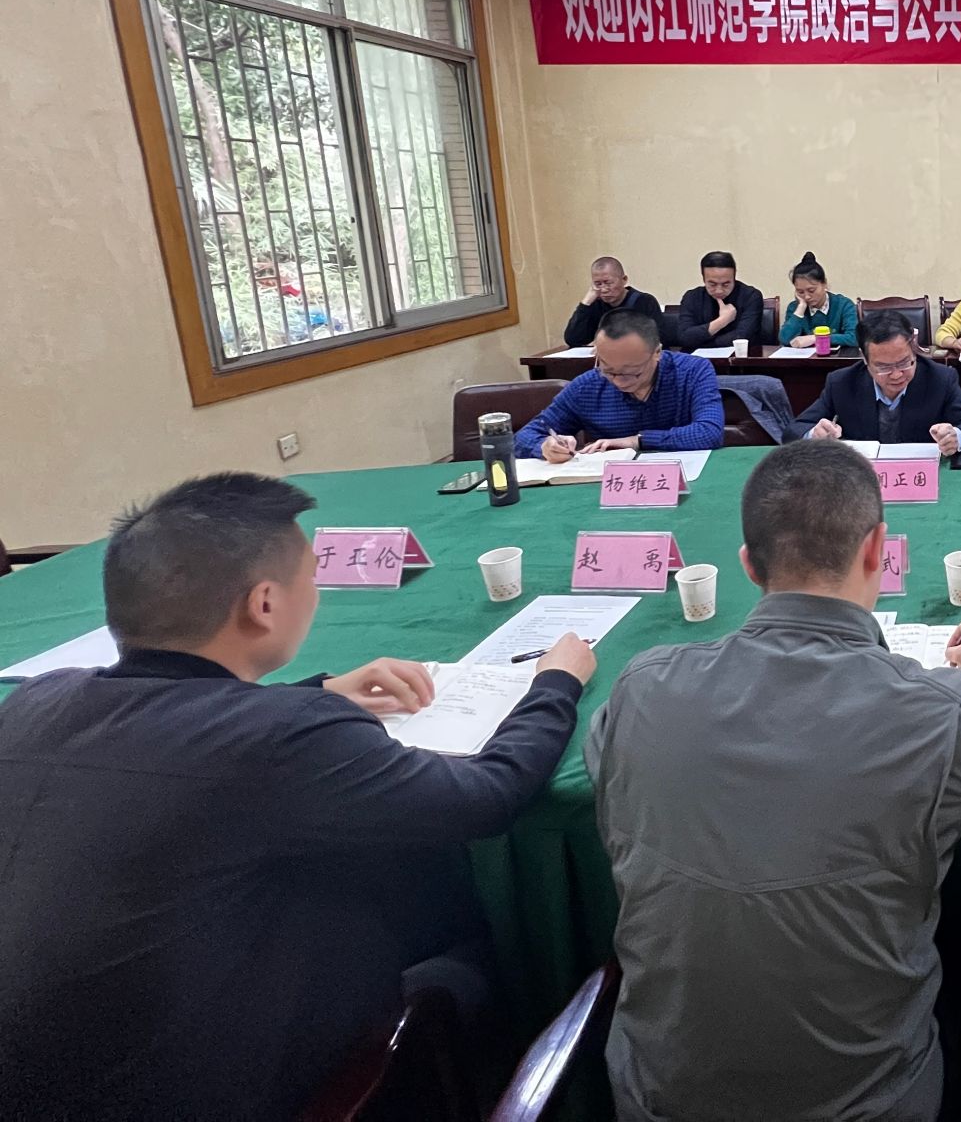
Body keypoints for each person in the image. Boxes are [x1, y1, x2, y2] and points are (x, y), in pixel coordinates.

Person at [0, 473, 597, 1119]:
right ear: (264, 604)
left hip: (36, 1080)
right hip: (199, 1090)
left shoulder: (36, 699)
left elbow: (179, 725)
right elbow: (487, 798)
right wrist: (554, 683)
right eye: (310, 577)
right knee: (447, 924)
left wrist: (321, 690)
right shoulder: (282, 738)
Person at [588, 441, 961, 1122]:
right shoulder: (942, 710)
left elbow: (604, 765)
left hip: (658, 1100)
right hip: (870, 1104)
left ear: (748, 565)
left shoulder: (641, 687)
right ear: (877, 551)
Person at [516, 310, 724, 461]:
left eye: (632, 372)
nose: (618, 380)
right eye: (608, 370)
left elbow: (709, 432)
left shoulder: (692, 371)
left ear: (657, 353)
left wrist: (637, 441)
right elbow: (523, 437)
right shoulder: (586, 387)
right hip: (611, 487)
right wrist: (545, 446)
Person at [798, 310, 961, 454]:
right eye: (884, 367)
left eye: (904, 363)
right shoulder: (841, 383)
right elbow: (795, 429)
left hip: (920, 478)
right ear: (865, 359)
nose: (897, 375)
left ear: (913, 348)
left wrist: (956, 438)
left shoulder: (940, 378)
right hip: (862, 481)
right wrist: (814, 435)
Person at [672, 250, 766, 351]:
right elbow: (684, 337)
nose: (719, 290)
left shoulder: (751, 296)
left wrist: (701, 343)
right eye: (712, 284)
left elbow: (742, 336)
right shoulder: (692, 297)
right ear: (703, 279)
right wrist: (722, 321)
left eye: (726, 284)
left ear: (734, 277)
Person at [563, 255, 665, 347]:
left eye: (608, 283)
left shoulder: (645, 302)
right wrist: (586, 303)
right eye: (598, 284)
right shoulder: (594, 304)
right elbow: (572, 339)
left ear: (624, 280)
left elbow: (656, 338)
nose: (604, 289)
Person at [779, 251, 860, 349]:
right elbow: (785, 340)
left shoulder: (843, 305)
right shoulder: (795, 308)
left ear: (824, 284)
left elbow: (854, 338)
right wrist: (800, 309)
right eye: (800, 292)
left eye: (811, 290)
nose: (807, 296)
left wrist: (815, 338)